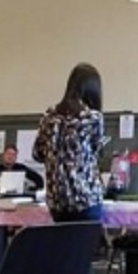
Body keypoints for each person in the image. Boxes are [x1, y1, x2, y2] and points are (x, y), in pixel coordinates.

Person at [34, 62, 107, 222]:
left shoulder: (48, 117)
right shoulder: (93, 118)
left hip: (57, 200)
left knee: (63, 238)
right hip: (85, 197)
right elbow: (97, 152)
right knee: (87, 238)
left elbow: (37, 154)